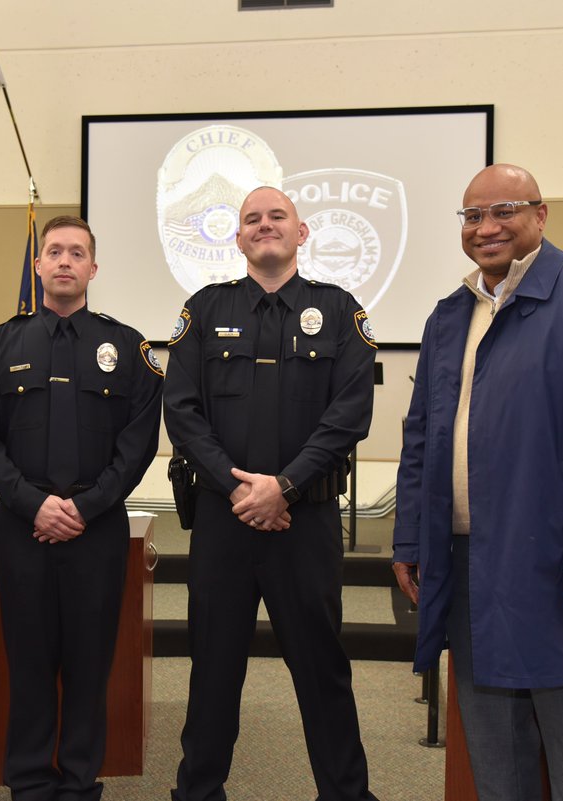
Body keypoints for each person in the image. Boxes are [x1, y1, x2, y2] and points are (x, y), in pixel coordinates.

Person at [393, 164, 563, 801]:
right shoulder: (449, 315)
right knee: (497, 764)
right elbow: (422, 438)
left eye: (504, 211)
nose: (486, 227)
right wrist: (411, 541)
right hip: (466, 570)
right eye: (472, 216)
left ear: (540, 216)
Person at [165, 186, 381, 801]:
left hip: (303, 521)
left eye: (276, 217)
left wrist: (283, 486)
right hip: (223, 520)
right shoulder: (203, 310)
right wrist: (242, 489)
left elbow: (349, 414)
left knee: (321, 670)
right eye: (251, 219)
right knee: (213, 668)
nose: (264, 226)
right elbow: (182, 411)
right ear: (237, 238)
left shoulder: (339, 312)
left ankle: (346, 793)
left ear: (301, 233)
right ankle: (198, 792)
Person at [0, 215, 163, 801]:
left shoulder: (128, 347)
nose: (65, 261)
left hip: (96, 532)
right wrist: (32, 505)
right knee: (28, 664)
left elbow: (137, 443)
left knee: (88, 665)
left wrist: (84, 507)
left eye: (78, 252)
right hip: (22, 532)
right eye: (55, 251)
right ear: (39, 265)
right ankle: (28, 782)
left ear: (93, 268)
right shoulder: (1, 344)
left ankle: (78, 783)